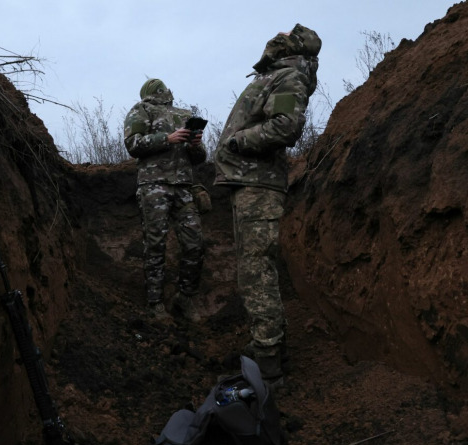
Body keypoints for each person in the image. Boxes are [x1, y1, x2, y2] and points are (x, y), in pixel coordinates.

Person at [213, 24, 321, 385]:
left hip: (259, 185)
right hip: (248, 183)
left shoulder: (289, 77)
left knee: (257, 272)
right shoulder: (276, 77)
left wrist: (237, 142)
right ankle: (267, 348)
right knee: (253, 271)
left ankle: (268, 363)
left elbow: (286, 127)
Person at [123, 78, 208, 323]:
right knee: (155, 245)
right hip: (153, 185)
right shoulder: (141, 110)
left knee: (195, 243)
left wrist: (195, 145)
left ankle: (185, 297)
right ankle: (155, 304)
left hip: (183, 186)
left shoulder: (184, 114)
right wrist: (167, 139)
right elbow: (132, 144)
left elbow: (199, 158)